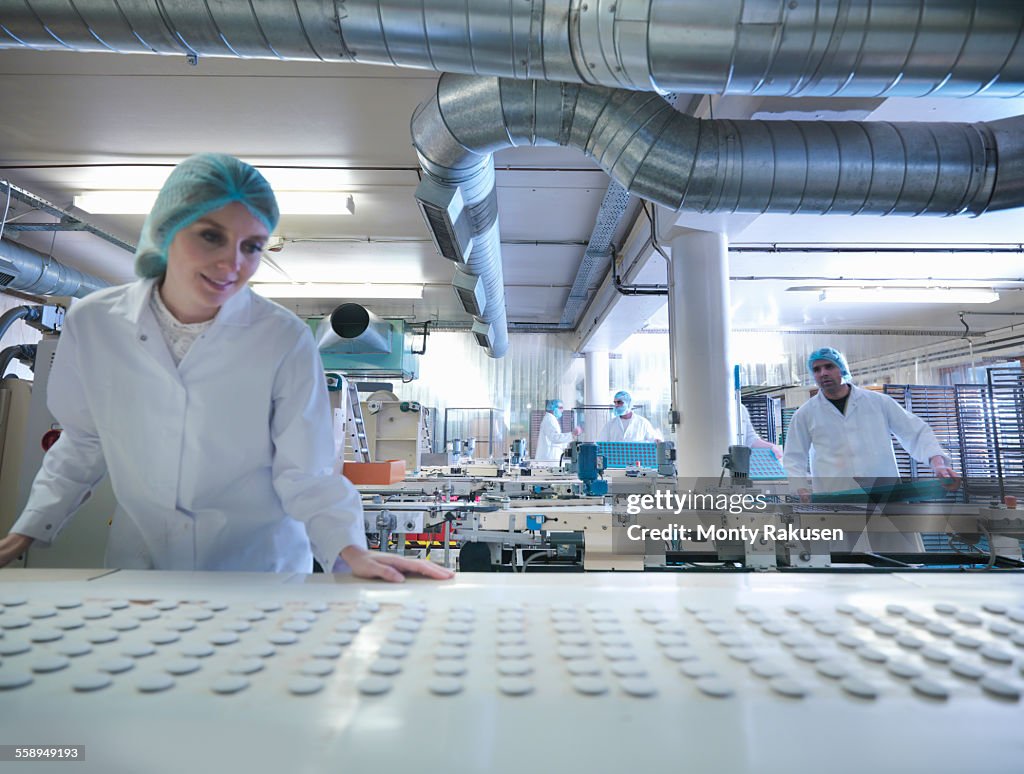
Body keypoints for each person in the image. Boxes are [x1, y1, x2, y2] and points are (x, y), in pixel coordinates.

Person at [0, 153, 451, 583]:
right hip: (141, 570)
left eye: (252, 246)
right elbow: (82, 441)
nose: (232, 263)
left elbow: (306, 474)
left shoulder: (283, 337)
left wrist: (351, 551)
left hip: (259, 571)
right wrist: (26, 530)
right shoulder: (94, 323)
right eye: (211, 236)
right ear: (168, 228)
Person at [783, 347, 956, 499]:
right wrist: (800, 487)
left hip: (884, 493)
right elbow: (793, 456)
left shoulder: (879, 402)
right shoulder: (805, 414)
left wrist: (938, 465)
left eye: (829, 366)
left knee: (892, 535)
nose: (823, 373)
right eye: (817, 369)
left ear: (842, 369)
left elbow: (916, 432)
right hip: (835, 497)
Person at [598, 390, 663, 443]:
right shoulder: (610, 424)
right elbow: (600, 442)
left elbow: (655, 439)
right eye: (615, 402)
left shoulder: (642, 423)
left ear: (628, 403)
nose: (616, 405)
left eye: (619, 402)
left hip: (636, 458)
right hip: (616, 458)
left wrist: (658, 441)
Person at [534, 399, 581, 463]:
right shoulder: (549, 420)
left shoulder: (552, 419)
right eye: (560, 408)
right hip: (549, 459)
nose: (562, 410)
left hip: (552, 458)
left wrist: (569, 441)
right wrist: (572, 434)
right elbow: (555, 438)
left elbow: (557, 439)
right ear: (553, 408)